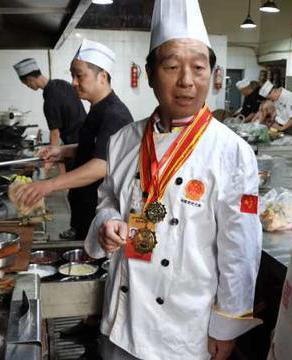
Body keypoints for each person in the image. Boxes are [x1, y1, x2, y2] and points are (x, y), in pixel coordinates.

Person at [85, 0, 262, 359]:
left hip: (185, 331)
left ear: (212, 75)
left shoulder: (232, 151)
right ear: (149, 74)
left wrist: (226, 327)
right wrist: (107, 222)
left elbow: (240, 249)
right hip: (122, 320)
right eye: (171, 66)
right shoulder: (123, 141)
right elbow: (106, 200)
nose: (186, 81)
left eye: (199, 67)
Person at [15, 39, 133, 240]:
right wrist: (62, 150)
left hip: (102, 210)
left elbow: (101, 165)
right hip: (85, 203)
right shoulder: (98, 108)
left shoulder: (114, 114)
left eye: (79, 75)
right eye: (72, 75)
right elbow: (96, 147)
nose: (73, 82)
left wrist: (48, 185)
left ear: (102, 76)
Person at [13, 58, 86, 146]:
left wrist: (51, 156)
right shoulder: (62, 83)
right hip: (88, 134)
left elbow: (55, 134)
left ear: (30, 79)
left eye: (27, 84)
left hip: (77, 144)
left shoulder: (50, 101)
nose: (28, 86)